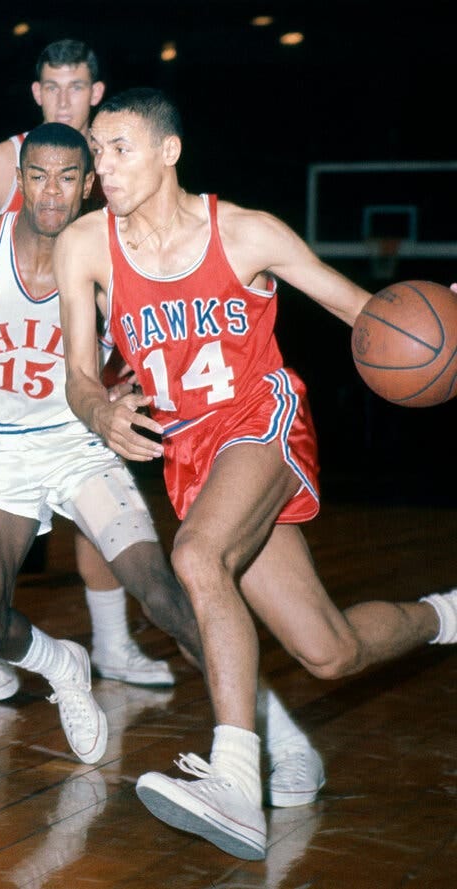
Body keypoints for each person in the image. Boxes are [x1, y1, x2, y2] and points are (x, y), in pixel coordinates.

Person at [0, 124, 325, 800]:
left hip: (79, 445)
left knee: (166, 594)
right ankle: (60, 663)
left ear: (87, 187)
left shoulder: (112, 254)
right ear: (20, 181)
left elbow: (193, 322)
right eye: (38, 175)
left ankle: (281, 739)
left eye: (67, 177)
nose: (51, 191)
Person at [55, 88, 457, 859]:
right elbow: (77, 374)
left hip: (261, 421)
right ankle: (446, 615)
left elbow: (365, 313)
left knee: (197, 555)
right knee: (329, 651)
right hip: (189, 456)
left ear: (169, 151)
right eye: (97, 152)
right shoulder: (85, 245)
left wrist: (442, 327)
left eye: (120, 148)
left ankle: (237, 781)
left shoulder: (245, 232)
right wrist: (98, 410)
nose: (103, 166)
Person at [0, 38, 175, 695]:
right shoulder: (1, 160)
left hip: (93, 344)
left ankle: (113, 643)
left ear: (96, 93)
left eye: (77, 87)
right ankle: (0, 647)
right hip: (16, 349)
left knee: (98, 492)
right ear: (36, 92)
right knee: (2, 512)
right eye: (52, 86)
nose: (64, 98)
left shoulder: (117, 158)